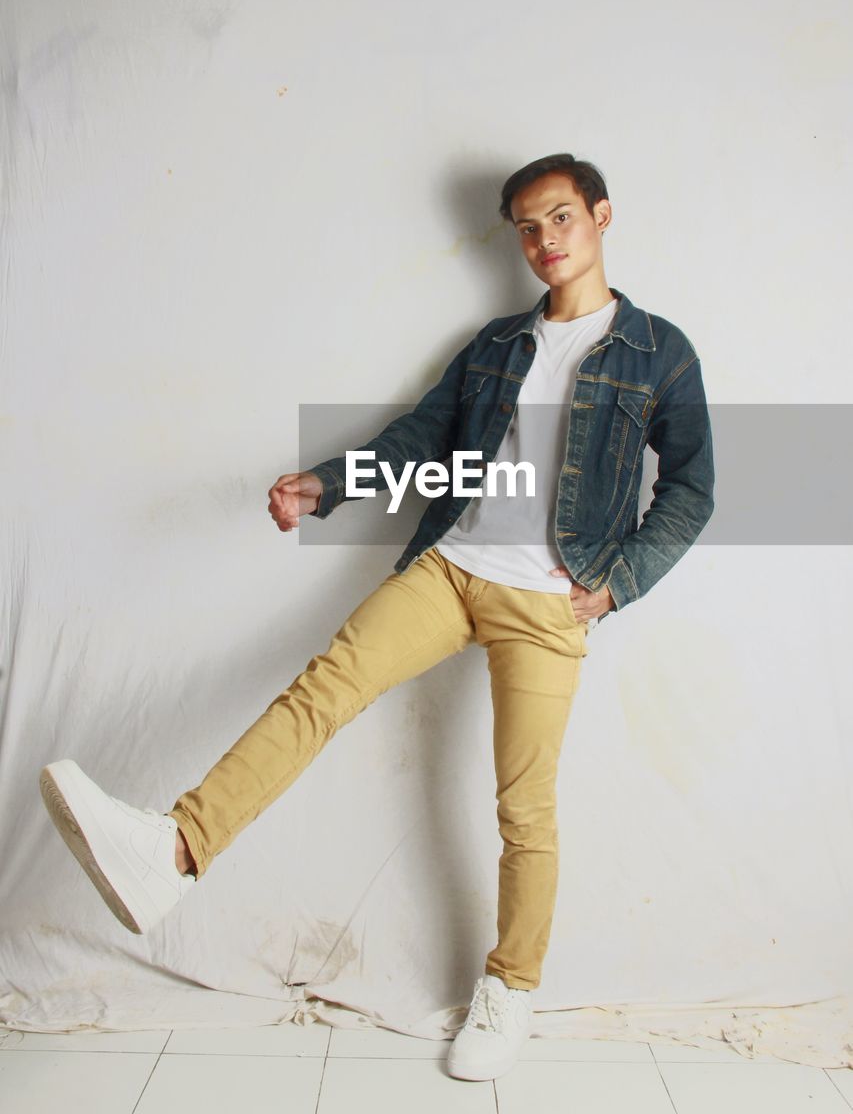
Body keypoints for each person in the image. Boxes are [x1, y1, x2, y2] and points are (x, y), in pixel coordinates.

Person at [39, 152, 714, 1083]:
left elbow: (690, 487)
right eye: (525, 225)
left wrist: (615, 582)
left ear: (601, 216)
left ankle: (510, 988)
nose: (542, 240)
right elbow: (419, 436)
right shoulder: (494, 344)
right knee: (324, 689)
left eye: (559, 217)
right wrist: (323, 489)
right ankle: (177, 847)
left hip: (549, 601)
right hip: (449, 565)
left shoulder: (658, 351)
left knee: (523, 805)